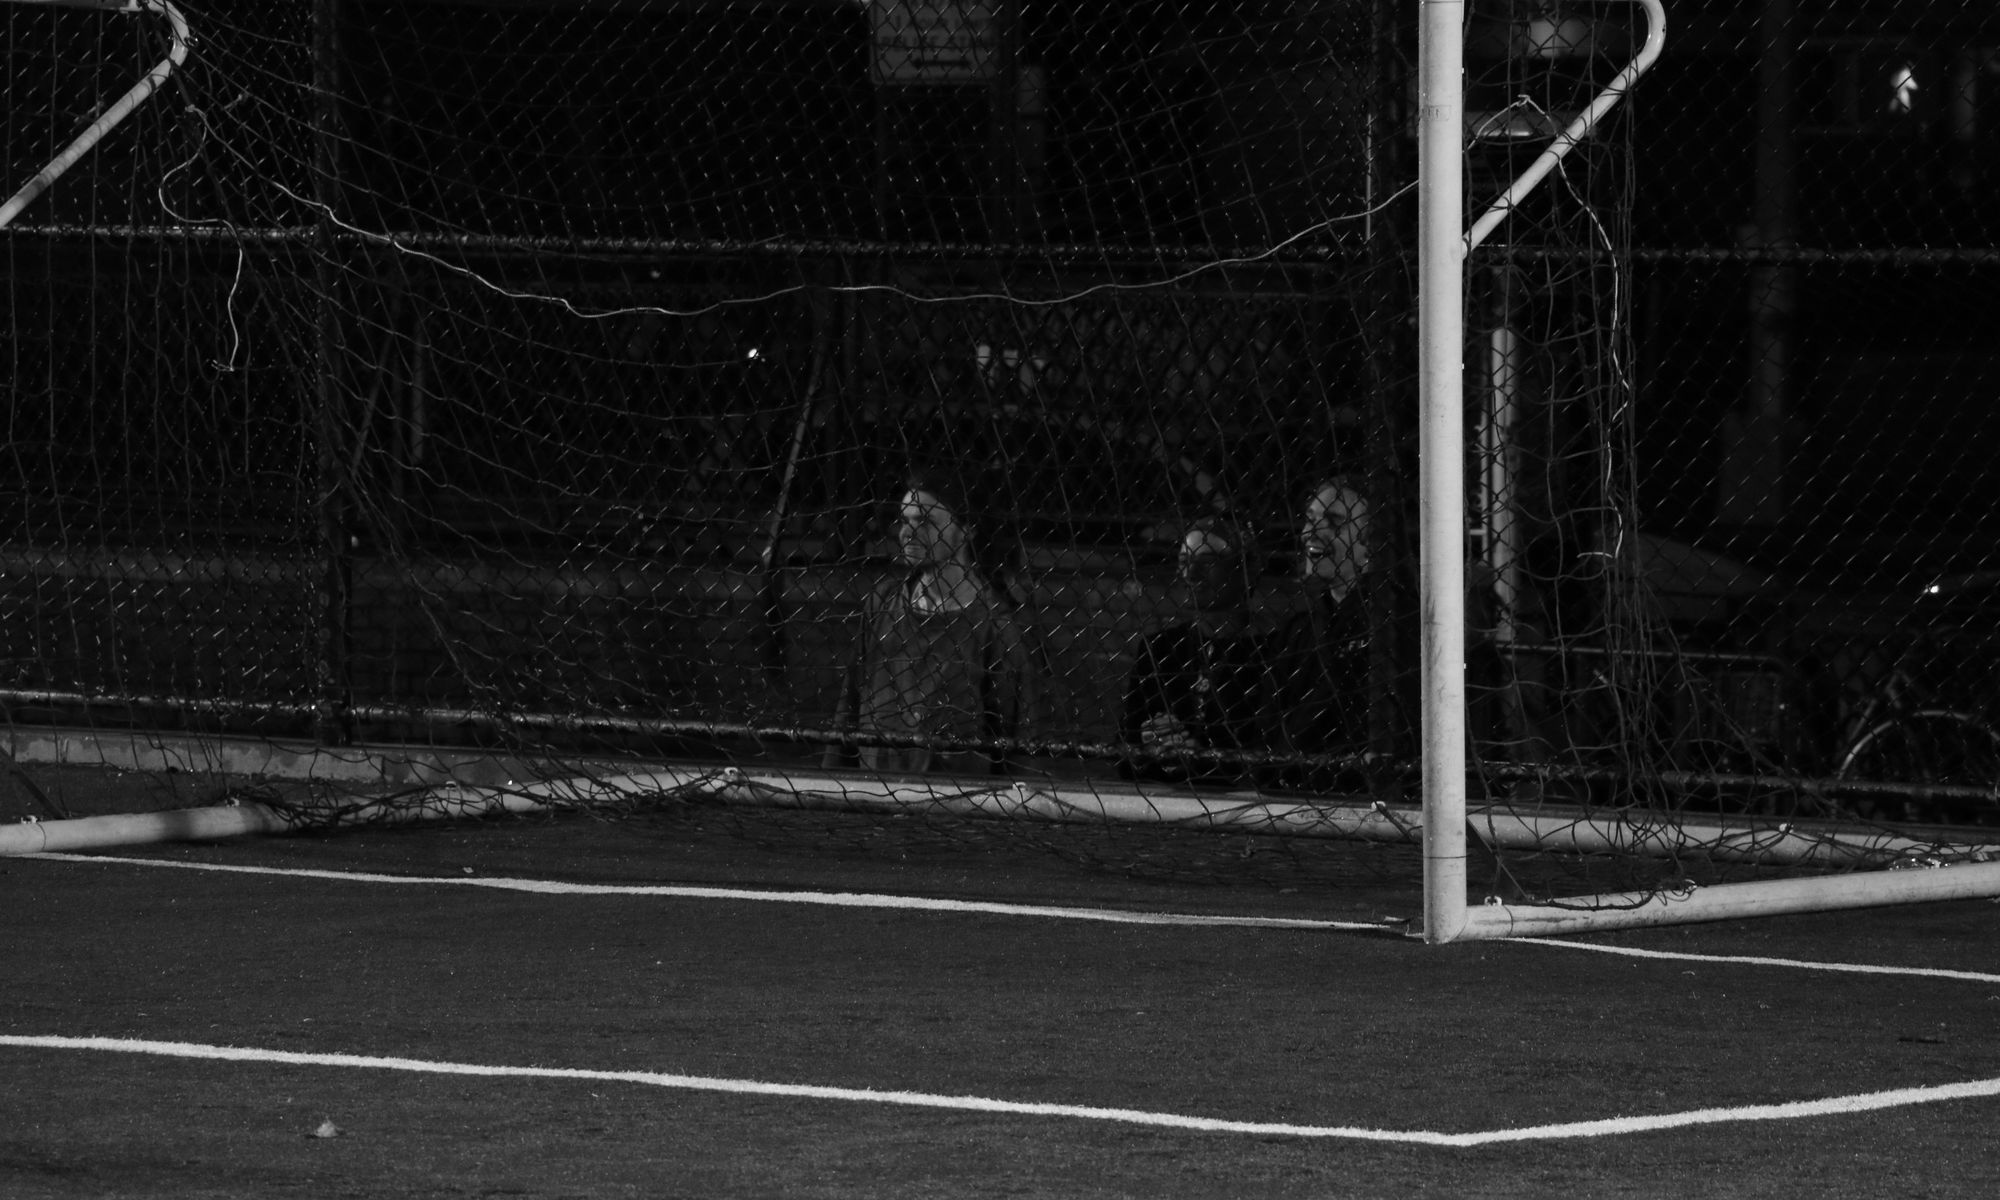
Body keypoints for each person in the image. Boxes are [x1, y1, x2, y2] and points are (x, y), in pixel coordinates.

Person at [823, 466, 1039, 776]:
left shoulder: (996, 626)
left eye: (925, 521)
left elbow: (1018, 747)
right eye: (904, 520)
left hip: (955, 804)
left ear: (967, 529)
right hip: (872, 794)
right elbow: (849, 708)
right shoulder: (882, 603)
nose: (907, 532)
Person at [1119, 517, 1272, 786]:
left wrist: (1200, 756)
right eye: (1184, 562)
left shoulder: (1271, 650)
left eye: (1207, 563)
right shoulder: (1160, 647)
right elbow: (1123, 746)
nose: (1191, 574)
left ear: (1241, 569)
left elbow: (1267, 751)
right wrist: (1149, 746)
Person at [1267, 475, 1377, 793]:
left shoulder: (1395, 626)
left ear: (1371, 538)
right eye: (1311, 519)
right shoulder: (1299, 629)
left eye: (1334, 521)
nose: (1311, 533)